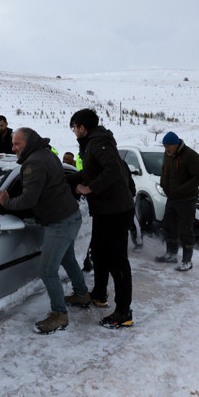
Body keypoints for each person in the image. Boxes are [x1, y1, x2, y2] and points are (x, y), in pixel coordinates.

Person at [0, 127, 89, 334]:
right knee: (68, 259)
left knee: (47, 270)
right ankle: (81, 294)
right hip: (69, 215)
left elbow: (28, 199)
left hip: (59, 221)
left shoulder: (33, 163)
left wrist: (6, 202)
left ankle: (59, 315)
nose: (13, 147)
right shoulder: (47, 153)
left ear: (28, 142)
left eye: (17, 144)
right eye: (13, 143)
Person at [68, 108, 135, 329]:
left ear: (82, 128)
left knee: (117, 260)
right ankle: (99, 294)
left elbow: (113, 170)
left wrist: (89, 188)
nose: (74, 131)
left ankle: (123, 312)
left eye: (74, 127)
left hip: (116, 211)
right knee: (99, 252)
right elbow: (90, 172)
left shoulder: (98, 143)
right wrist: (65, 177)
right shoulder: (92, 143)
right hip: (105, 210)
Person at [155, 131, 199, 272]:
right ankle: (171, 254)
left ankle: (187, 261)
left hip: (187, 199)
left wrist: (180, 189)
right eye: (164, 146)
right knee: (168, 226)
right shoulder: (168, 154)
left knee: (186, 230)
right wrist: (163, 185)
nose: (166, 149)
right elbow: (164, 171)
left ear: (176, 144)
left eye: (168, 146)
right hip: (172, 198)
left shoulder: (190, 156)